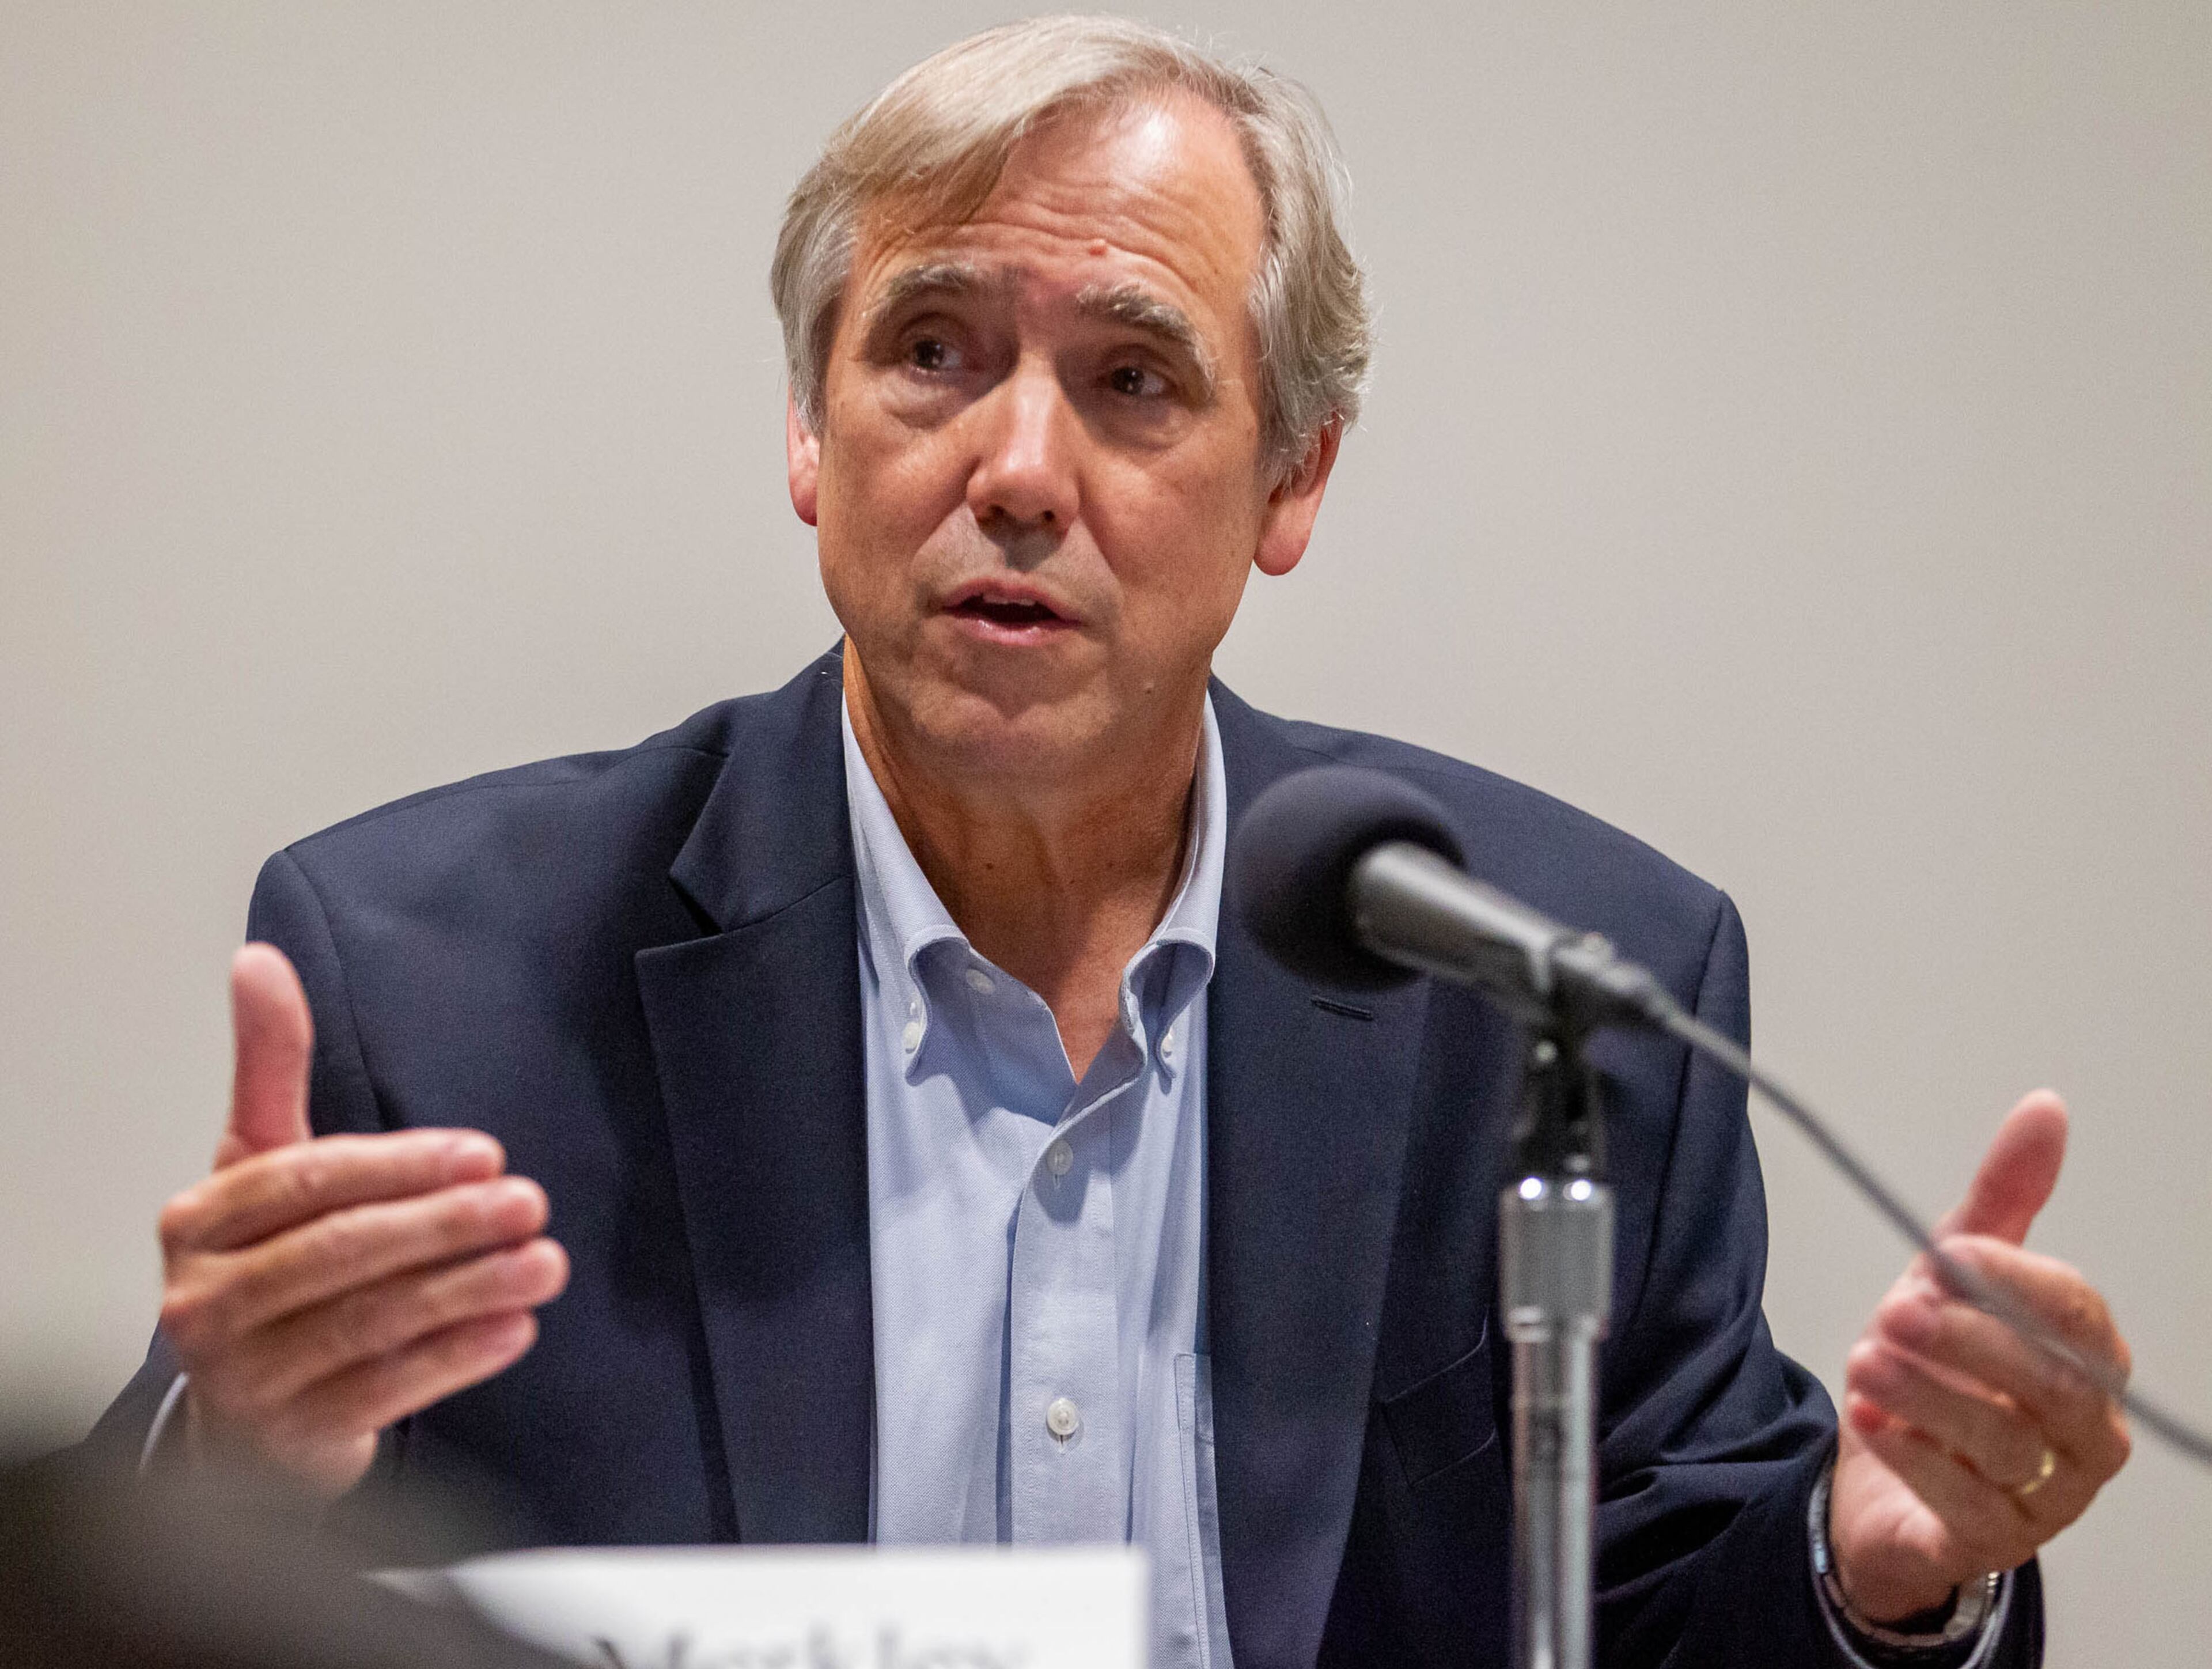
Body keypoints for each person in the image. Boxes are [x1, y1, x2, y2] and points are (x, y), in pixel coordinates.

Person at [91, 17, 2131, 1668]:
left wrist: (1888, 1586)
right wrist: (238, 1454)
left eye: (1133, 380)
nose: (1018, 470)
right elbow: (139, 1605)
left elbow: (1688, 1611)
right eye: (932, 353)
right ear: (810, 432)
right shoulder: (439, 975)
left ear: (1293, 477)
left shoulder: (1549, 979)